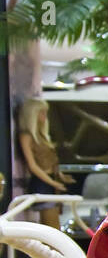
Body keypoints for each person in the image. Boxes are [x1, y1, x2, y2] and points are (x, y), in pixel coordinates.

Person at [15, 98, 74, 232]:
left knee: (52, 227)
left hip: (50, 180)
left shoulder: (41, 136)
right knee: (52, 228)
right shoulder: (27, 136)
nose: (44, 116)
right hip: (41, 183)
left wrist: (59, 178)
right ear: (32, 115)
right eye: (41, 113)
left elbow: (50, 161)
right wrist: (53, 183)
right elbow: (32, 166)